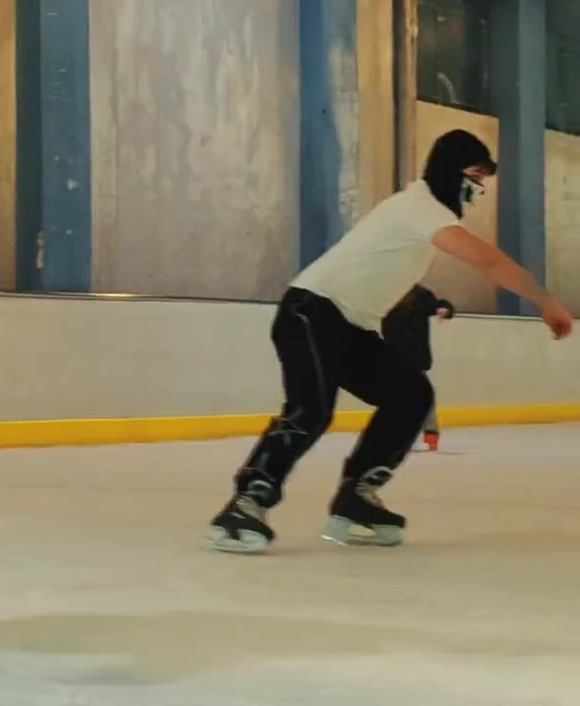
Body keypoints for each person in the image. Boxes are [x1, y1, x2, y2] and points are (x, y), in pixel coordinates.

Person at [207, 129, 573, 554]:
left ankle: (357, 496)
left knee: (410, 394)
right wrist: (544, 299)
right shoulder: (421, 207)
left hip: (348, 325)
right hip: (310, 313)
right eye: (475, 176)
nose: (480, 188)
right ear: (451, 171)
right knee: (311, 410)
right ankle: (246, 503)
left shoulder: (425, 212)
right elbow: (487, 261)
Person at [382, 285, 455, 451]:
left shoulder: (420, 295)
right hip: (390, 354)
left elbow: (439, 304)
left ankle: (430, 432)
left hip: (414, 355)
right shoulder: (385, 292)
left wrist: (444, 309)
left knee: (421, 394)